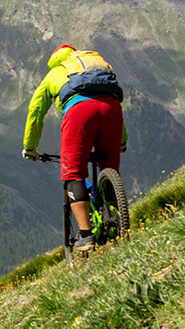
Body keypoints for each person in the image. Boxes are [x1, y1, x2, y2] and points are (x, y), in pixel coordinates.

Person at [22, 44, 126, 250]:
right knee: (109, 167)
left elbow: (36, 111)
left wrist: (30, 147)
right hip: (112, 110)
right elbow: (112, 99)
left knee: (73, 173)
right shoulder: (97, 66)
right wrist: (121, 139)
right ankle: (119, 225)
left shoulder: (55, 73)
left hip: (79, 112)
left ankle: (86, 236)